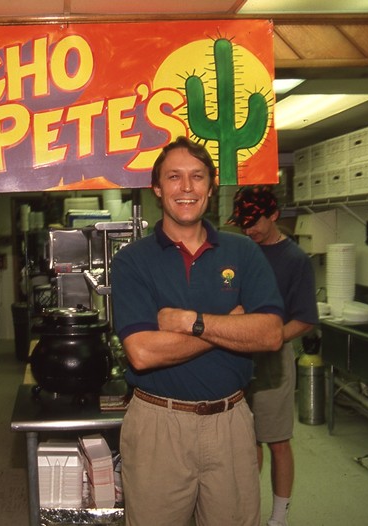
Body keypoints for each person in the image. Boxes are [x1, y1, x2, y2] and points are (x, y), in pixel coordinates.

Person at [110, 136, 285, 526]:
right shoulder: (132, 261)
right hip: (158, 425)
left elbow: (271, 334)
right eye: (174, 177)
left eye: (197, 177)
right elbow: (142, 352)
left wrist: (194, 322)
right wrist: (232, 324)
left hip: (232, 423)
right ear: (157, 189)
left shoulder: (243, 252)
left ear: (210, 186)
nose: (186, 188)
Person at [227, 185, 319, 526]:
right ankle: (247, 510)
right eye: (244, 222)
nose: (249, 229)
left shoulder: (295, 260)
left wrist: (271, 337)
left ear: (275, 215)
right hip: (236, 354)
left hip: (273, 359)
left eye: (255, 222)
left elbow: (306, 319)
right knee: (247, 441)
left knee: (276, 439)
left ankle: (279, 517)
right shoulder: (239, 251)